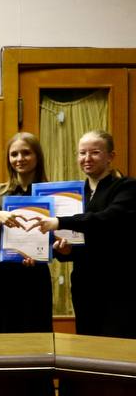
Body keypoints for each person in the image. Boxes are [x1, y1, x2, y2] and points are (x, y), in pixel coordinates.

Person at [32, 130, 136, 338]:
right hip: (84, 285)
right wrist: (65, 251)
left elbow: (107, 219)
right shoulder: (76, 194)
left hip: (119, 285)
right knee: (88, 344)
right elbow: (82, 241)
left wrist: (59, 221)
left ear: (111, 156)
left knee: (118, 346)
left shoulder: (127, 187)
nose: (87, 158)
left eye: (95, 152)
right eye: (82, 153)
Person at [0, 133, 52, 333]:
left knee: (36, 335)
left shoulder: (50, 193)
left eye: (26, 153)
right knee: (1, 334)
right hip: (2, 274)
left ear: (37, 156)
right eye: (14, 154)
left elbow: (57, 237)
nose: (19, 159)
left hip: (35, 271)